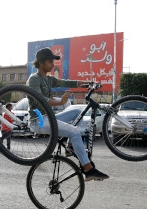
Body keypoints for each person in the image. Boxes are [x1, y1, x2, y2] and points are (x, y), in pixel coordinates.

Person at [26, 47, 109, 182]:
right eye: (50, 61)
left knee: (77, 111)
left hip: (49, 117)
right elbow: (40, 100)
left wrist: (89, 83)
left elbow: (68, 82)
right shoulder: (34, 79)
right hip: (39, 120)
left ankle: (70, 148)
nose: (53, 65)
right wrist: (60, 102)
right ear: (41, 63)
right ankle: (89, 170)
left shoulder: (48, 79)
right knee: (75, 132)